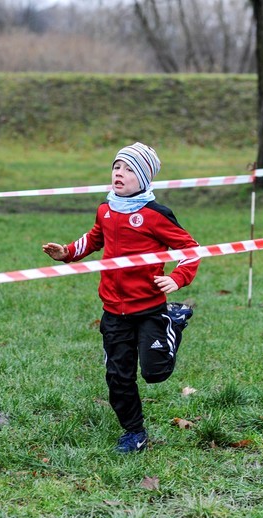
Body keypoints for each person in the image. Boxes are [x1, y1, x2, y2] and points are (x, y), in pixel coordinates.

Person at [42, 142, 200, 454]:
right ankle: (134, 432)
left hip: (149, 307)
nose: (120, 173)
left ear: (144, 178)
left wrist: (177, 278)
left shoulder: (156, 215)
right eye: (117, 167)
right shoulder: (106, 209)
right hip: (113, 311)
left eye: (129, 169)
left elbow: (190, 250)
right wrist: (68, 253)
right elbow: (95, 237)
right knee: (118, 377)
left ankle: (173, 319)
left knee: (156, 373)